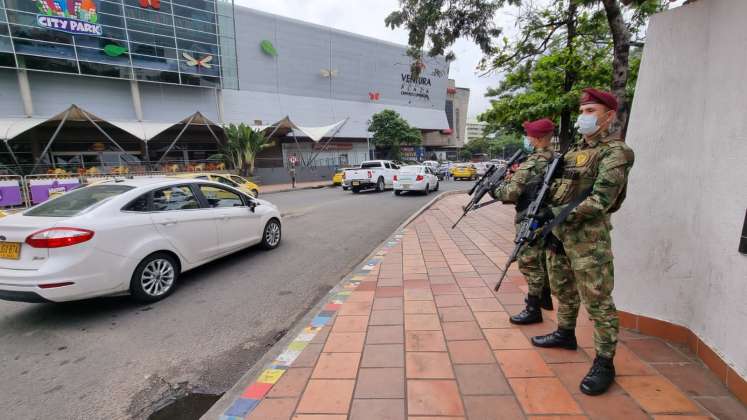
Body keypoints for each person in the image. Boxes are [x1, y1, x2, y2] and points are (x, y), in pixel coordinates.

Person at [531, 88, 635, 396]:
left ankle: (605, 361)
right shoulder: (573, 150)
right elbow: (555, 187)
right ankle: (565, 333)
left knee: (598, 301)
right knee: (563, 288)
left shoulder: (616, 153)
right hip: (559, 233)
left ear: (609, 116)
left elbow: (602, 200)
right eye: (583, 110)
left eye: (591, 111)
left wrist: (555, 214)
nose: (584, 116)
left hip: (589, 240)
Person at [491, 118, 555, 324]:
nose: (526, 139)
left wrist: (494, 189)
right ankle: (544, 299)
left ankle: (533, 308)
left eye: (528, 135)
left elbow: (510, 193)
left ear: (536, 138)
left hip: (531, 218)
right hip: (549, 217)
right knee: (543, 260)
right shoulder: (555, 157)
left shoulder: (533, 162)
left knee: (529, 263)